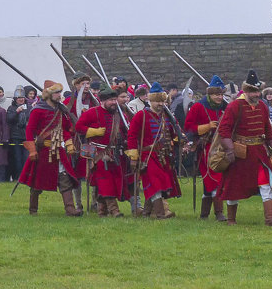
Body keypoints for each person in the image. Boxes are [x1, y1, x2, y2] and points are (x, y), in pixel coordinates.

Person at [216, 72, 272, 226]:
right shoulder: (235, 106)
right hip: (240, 153)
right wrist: (229, 150)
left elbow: (267, 126)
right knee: (234, 187)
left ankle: (270, 219)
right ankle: (231, 219)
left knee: (266, 184)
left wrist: (270, 140)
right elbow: (224, 130)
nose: (257, 94)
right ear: (246, 91)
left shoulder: (262, 106)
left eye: (257, 91)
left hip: (259, 153)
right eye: (253, 91)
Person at [17, 81, 79, 216]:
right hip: (43, 151)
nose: (59, 95)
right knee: (37, 181)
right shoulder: (37, 110)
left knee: (65, 179)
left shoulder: (60, 110)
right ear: (49, 94)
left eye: (59, 93)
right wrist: (32, 150)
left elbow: (65, 129)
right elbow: (29, 130)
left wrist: (68, 142)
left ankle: (70, 208)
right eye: (56, 93)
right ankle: (33, 210)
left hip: (58, 150)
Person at [125, 83, 183, 219]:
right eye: (157, 101)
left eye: (162, 101)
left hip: (164, 155)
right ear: (150, 100)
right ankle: (160, 213)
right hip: (148, 155)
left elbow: (174, 131)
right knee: (156, 183)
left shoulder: (167, 116)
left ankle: (146, 212)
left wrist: (179, 139)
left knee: (162, 182)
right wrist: (134, 156)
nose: (160, 104)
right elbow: (132, 136)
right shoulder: (141, 115)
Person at [76, 88, 130, 217]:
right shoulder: (92, 113)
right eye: (111, 100)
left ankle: (102, 211)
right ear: (103, 101)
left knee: (110, 181)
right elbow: (78, 127)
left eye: (115, 100)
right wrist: (92, 131)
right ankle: (114, 210)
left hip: (115, 153)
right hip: (98, 153)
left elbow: (126, 130)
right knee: (106, 181)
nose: (114, 102)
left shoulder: (119, 114)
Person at [185, 76, 228, 221]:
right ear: (210, 94)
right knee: (214, 179)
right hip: (205, 148)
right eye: (217, 94)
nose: (219, 97)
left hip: (222, 148)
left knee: (216, 179)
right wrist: (207, 127)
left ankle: (204, 214)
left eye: (221, 94)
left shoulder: (225, 107)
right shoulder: (198, 107)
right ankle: (219, 213)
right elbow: (189, 127)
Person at [6, 87, 32, 183]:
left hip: (26, 136)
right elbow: (9, 120)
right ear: (15, 99)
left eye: (22, 97)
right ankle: (17, 177)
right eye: (18, 98)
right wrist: (17, 112)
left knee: (26, 158)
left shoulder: (29, 108)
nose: (20, 99)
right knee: (17, 158)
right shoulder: (11, 108)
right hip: (16, 136)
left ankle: (26, 177)